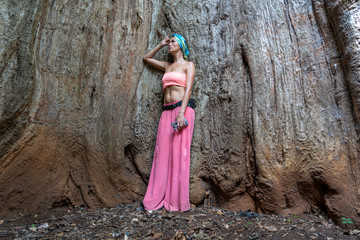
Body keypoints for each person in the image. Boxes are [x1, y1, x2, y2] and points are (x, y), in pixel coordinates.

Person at [142, 34, 196, 212]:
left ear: (181, 44)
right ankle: (156, 198)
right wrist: (160, 44)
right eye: (169, 41)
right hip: (166, 112)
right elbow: (146, 58)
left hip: (182, 111)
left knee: (180, 155)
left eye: (173, 41)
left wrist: (181, 113)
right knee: (162, 153)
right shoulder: (167, 65)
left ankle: (177, 201)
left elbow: (188, 89)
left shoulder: (188, 65)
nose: (170, 44)